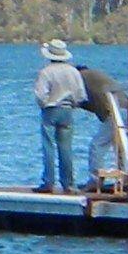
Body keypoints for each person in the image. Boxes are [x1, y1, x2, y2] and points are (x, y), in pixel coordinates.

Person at [34, 39, 87, 190]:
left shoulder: (46, 72)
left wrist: (44, 104)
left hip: (50, 110)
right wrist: (73, 104)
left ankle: (49, 182)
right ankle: (69, 184)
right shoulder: (73, 72)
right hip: (67, 111)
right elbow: (81, 95)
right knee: (66, 148)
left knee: (48, 146)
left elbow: (40, 95)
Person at [75, 57, 127, 180]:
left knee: (97, 145)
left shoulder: (80, 78)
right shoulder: (95, 76)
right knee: (120, 146)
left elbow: (79, 99)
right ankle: (123, 177)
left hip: (115, 111)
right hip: (126, 108)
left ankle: (95, 179)